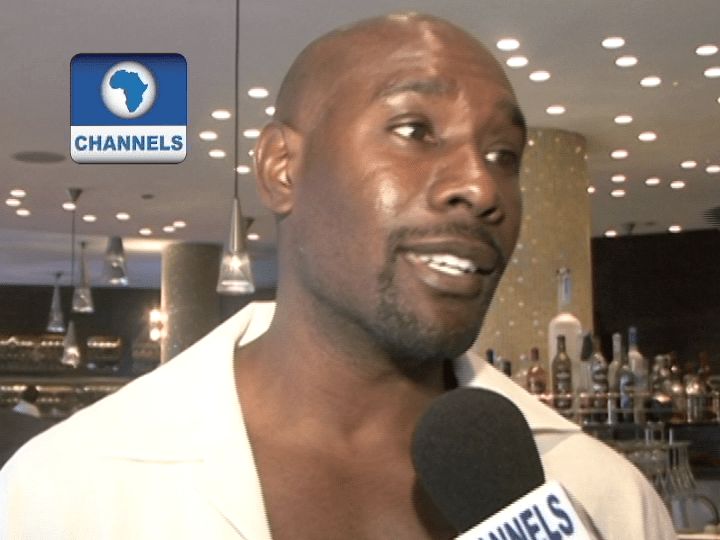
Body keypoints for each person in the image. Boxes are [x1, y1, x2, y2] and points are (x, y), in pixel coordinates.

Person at [0, 13, 675, 540]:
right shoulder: (67, 490)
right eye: (414, 130)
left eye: (505, 154)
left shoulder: (604, 498)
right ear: (281, 169)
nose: (481, 185)